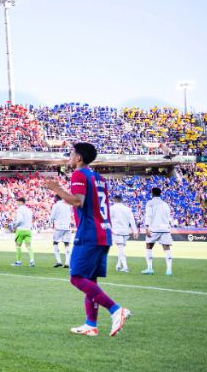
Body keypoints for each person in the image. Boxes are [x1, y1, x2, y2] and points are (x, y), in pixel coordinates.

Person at [43, 142, 130, 337]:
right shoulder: (98, 177)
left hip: (89, 233)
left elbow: (77, 201)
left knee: (76, 278)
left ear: (79, 158)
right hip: (104, 232)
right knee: (90, 281)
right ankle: (91, 324)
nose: (69, 157)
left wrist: (56, 189)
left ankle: (116, 310)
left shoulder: (79, 174)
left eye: (71, 154)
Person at [142, 187, 174, 276]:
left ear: (152, 193)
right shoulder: (165, 204)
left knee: (149, 247)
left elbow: (149, 215)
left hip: (154, 228)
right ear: (160, 194)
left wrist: (147, 227)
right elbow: (168, 217)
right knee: (167, 248)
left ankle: (149, 269)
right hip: (165, 229)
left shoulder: (150, 203)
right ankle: (169, 270)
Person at [110, 195, 138, 272]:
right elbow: (132, 220)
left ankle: (125, 267)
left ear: (114, 200)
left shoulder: (112, 208)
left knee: (121, 248)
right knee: (121, 248)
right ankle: (118, 265)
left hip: (117, 231)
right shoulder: (127, 209)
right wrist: (135, 231)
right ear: (121, 200)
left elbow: (108, 220)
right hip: (126, 232)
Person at [50, 194, 74, 268]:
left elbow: (52, 217)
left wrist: (51, 222)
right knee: (66, 243)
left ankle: (59, 261)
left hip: (59, 226)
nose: (53, 199)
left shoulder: (56, 205)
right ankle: (67, 262)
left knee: (55, 242)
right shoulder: (67, 205)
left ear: (56, 198)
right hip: (67, 227)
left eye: (54, 198)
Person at [12, 197, 35, 267]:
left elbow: (20, 220)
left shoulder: (19, 210)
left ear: (21, 202)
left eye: (17, 202)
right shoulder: (29, 210)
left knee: (18, 246)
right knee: (29, 246)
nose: (17, 203)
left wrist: (15, 226)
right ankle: (32, 261)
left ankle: (18, 262)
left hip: (21, 230)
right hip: (28, 230)